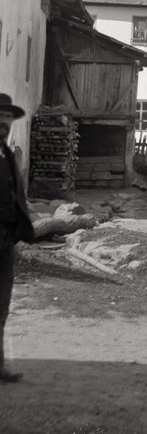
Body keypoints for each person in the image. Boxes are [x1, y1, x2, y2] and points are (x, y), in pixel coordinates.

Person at [0, 92, 34, 383]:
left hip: (5, 240)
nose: (4, 122)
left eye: (8, 117)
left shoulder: (6, 152)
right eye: (0, 116)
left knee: (2, 303)